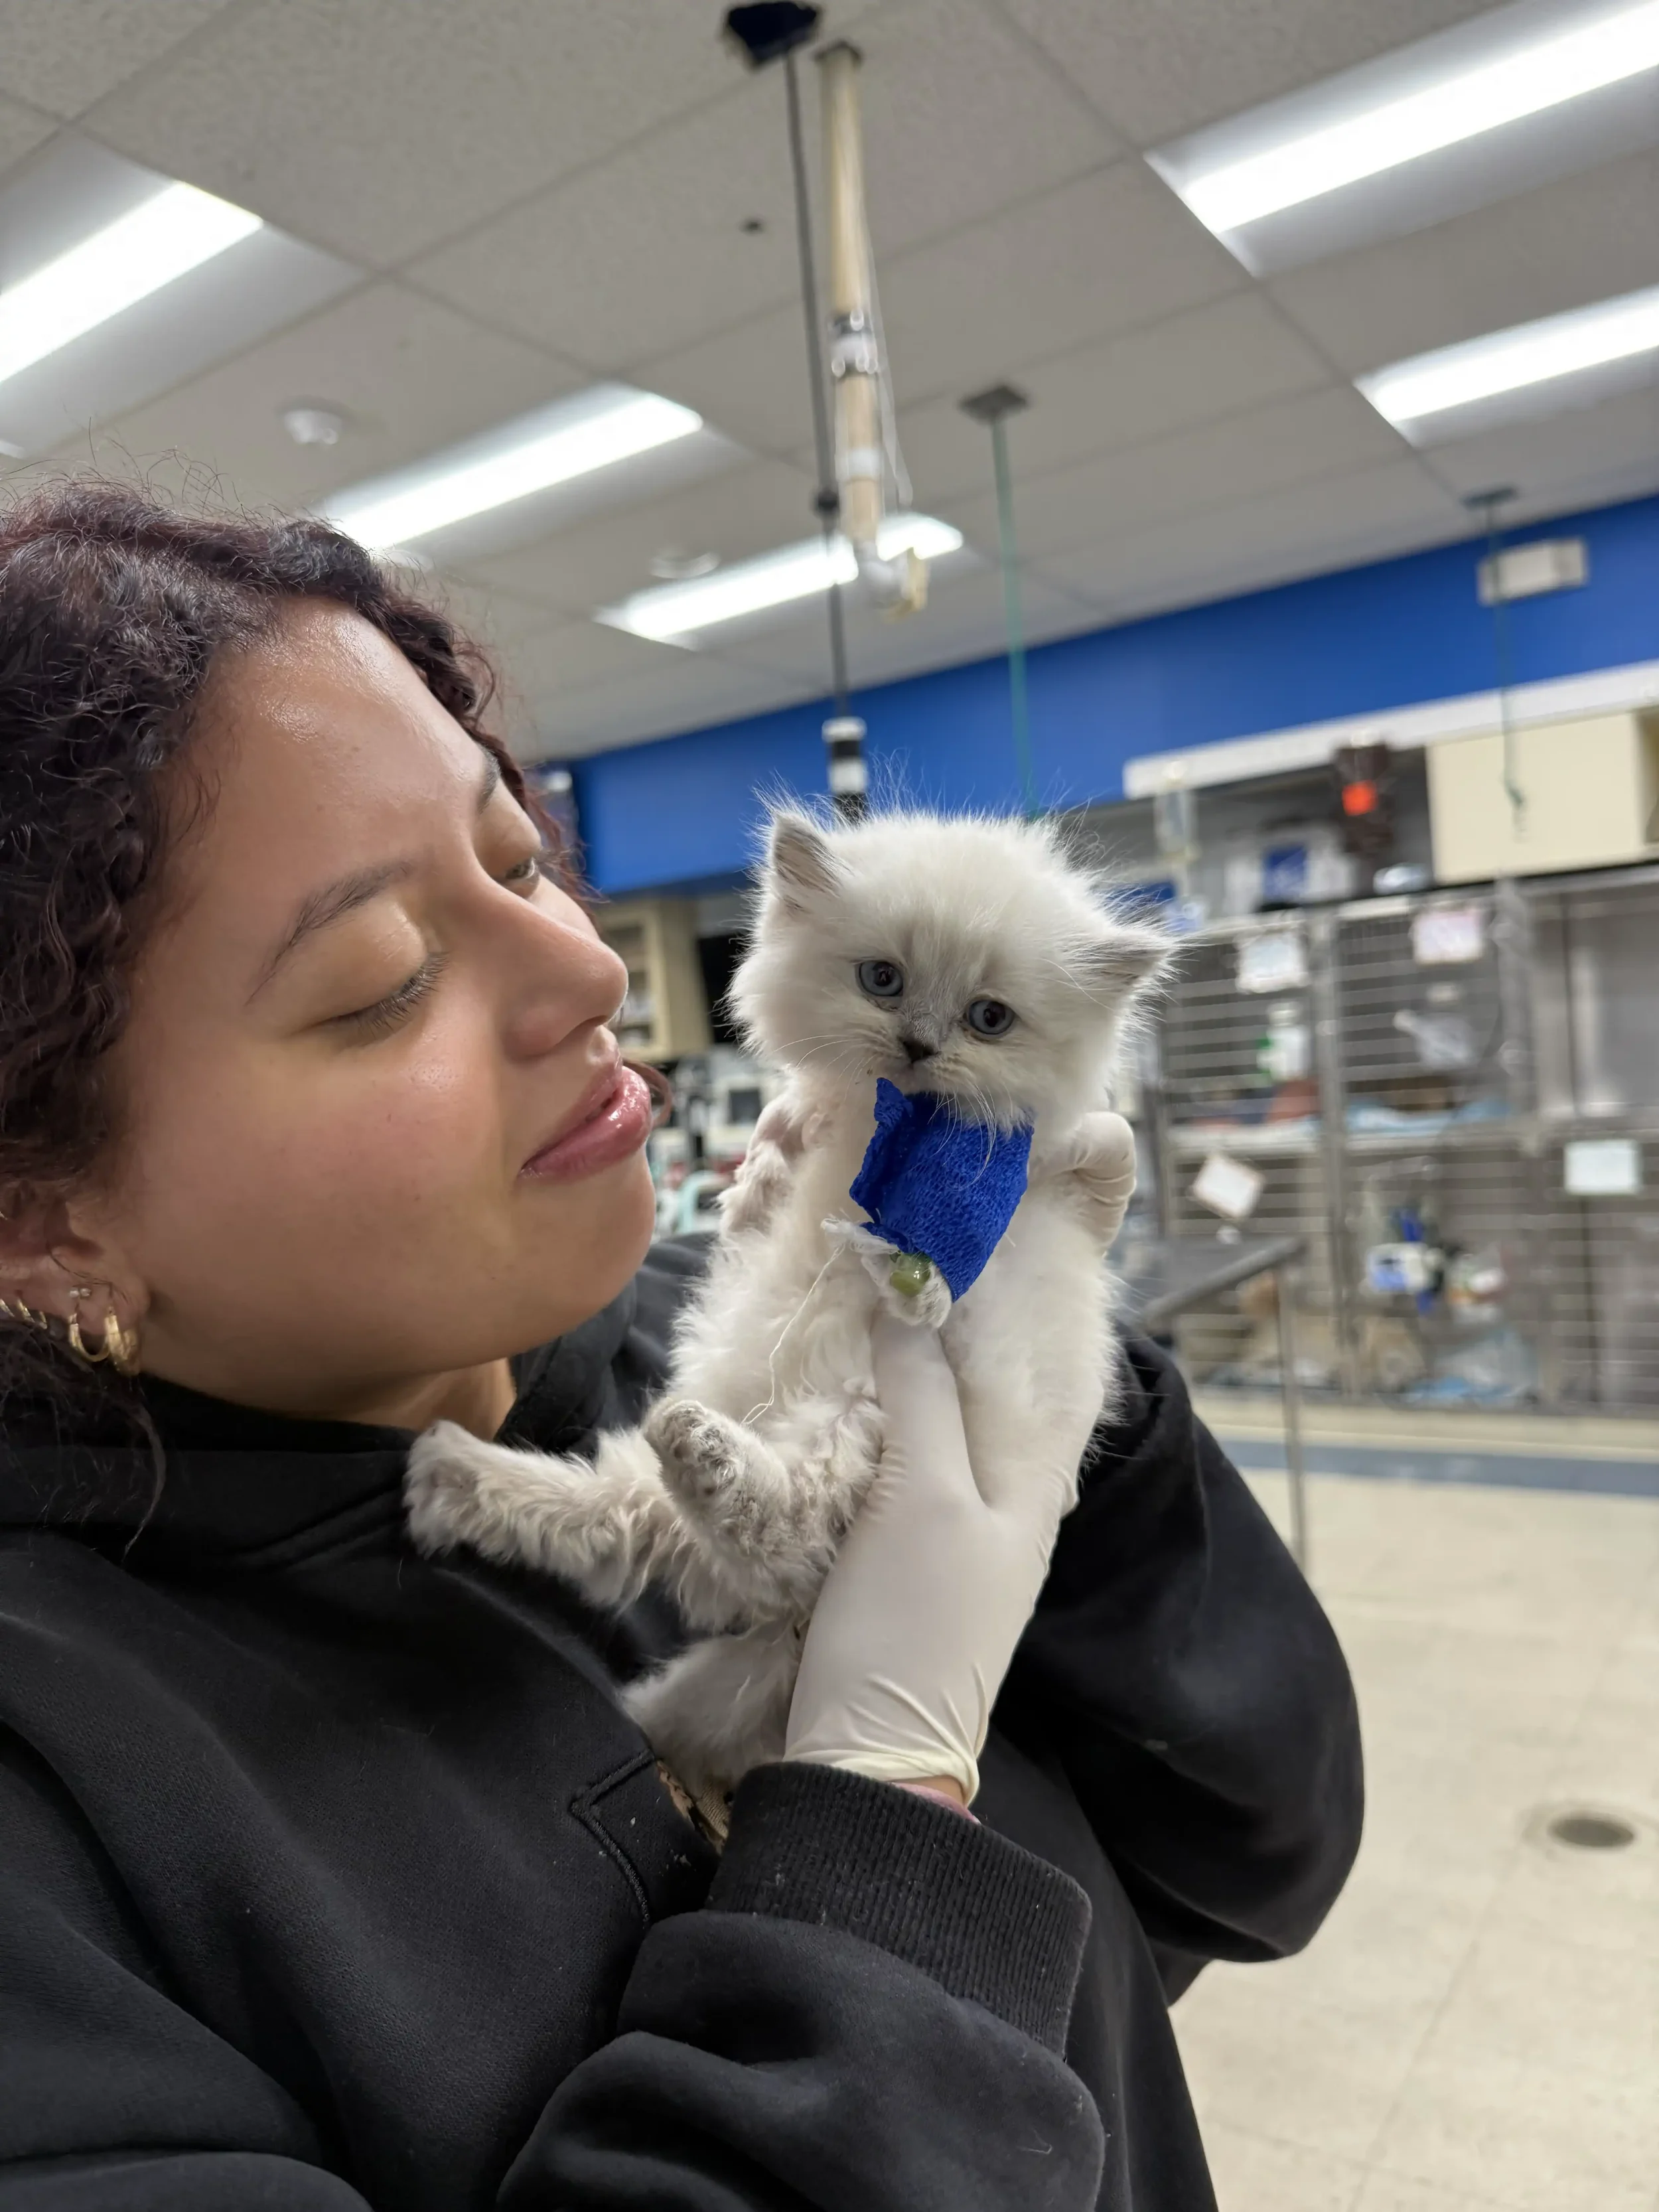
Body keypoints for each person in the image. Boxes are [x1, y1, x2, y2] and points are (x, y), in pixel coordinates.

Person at [0, 482, 1362, 2212]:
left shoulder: (707, 1346)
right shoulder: (54, 1814)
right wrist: (882, 1818)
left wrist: (1077, 1409)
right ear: (47, 1214)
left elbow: (1250, 1857)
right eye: (381, 977)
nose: (581, 968)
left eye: (516, 857)